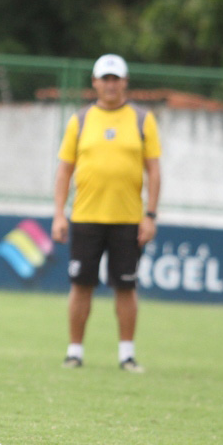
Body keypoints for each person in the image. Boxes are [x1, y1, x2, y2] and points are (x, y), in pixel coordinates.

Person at [51, 53, 161, 373]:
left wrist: (150, 214)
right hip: (86, 216)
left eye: (116, 79)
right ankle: (75, 351)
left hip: (128, 219)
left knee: (126, 286)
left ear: (125, 82)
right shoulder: (81, 120)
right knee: (81, 284)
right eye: (105, 79)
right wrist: (59, 214)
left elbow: (154, 171)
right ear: (95, 82)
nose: (111, 85)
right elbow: (64, 171)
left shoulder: (142, 119)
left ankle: (126, 354)